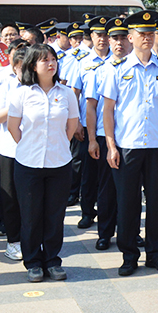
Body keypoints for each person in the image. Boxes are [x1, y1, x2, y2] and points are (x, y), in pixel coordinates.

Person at [101, 10, 158, 276]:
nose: (147, 38)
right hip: (128, 146)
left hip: (157, 146)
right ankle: (129, 255)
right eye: (141, 34)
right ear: (131, 37)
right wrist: (111, 146)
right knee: (127, 204)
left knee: (156, 203)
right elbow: (108, 110)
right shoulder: (117, 70)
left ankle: (155, 254)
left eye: (151, 33)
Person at [7, 44, 76, 282]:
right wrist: (29, 145)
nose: (51, 63)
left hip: (59, 163)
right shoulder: (22, 93)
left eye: (53, 59)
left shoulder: (66, 93)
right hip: (28, 163)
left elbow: (71, 126)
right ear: (33, 66)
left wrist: (57, 145)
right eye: (44, 60)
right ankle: (33, 261)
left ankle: (52, 260)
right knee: (31, 215)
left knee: (54, 216)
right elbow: (13, 127)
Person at [83, 17, 130, 250]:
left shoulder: (141, 67)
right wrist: (92, 139)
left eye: (123, 37)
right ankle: (105, 232)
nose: (119, 43)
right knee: (106, 188)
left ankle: (130, 231)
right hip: (105, 136)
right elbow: (91, 107)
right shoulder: (98, 71)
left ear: (130, 39)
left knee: (131, 190)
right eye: (114, 38)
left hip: (132, 137)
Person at [69, 17, 111, 229]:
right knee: (88, 172)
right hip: (87, 126)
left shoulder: (120, 60)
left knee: (110, 175)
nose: (102, 39)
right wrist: (76, 121)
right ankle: (87, 212)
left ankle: (111, 215)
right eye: (98, 35)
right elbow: (74, 93)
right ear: (91, 37)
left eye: (105, 35)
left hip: (112, 127)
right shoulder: (82, 62)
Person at [0, 41, 28, 262]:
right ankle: (13, 241)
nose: (25, 71)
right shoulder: (7, 86)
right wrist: (17, 102)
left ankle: (32, 240)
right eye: (21, 67)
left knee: (31, 199)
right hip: (10, 150)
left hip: (35, 151)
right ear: (14, 68)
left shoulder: (41, 86)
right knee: (11, 198)